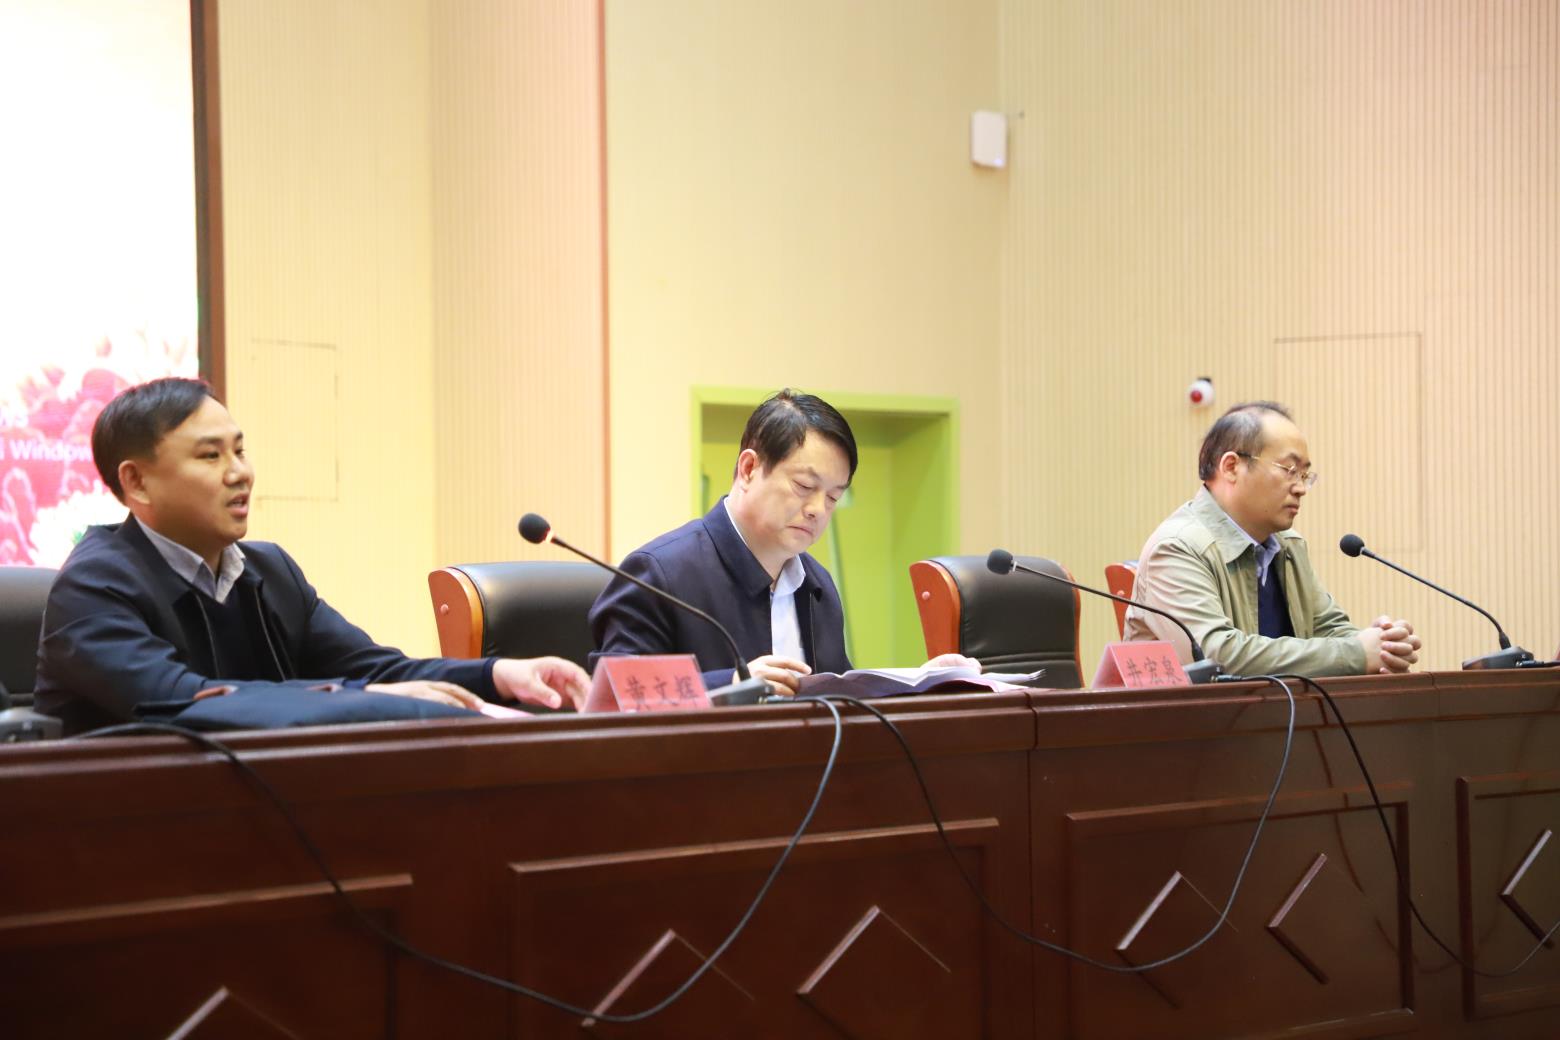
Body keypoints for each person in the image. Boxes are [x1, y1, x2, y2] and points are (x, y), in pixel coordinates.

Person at [34, 377, 588, 734]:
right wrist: (368, 698)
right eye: (210, 456)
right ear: (137, 482)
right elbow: (178, 702)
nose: (239, 472)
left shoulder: (268, 571)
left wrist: (499, 675)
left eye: (240, 450)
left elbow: (377, 669)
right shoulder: (95, 586)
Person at [589, 389, 973, 694]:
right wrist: (732, 684)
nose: (818, 510)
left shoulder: (817, 585)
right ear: (749, 468)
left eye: (833, 497)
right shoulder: (658, 574)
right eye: (804, 486)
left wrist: (918, 685)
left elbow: (839, 697)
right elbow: (613, 698)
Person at [1125, 400, 1422, 677]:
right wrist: (1356, 653)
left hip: (1275, 711)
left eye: (1304, 475)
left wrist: (1383, 647)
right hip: (1199, 716)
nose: (1300, 488)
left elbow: (1328, 627)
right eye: (1290, 470)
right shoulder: (1177, 547)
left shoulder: (1288, 545)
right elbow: (1216, 657)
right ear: (1231, 467)